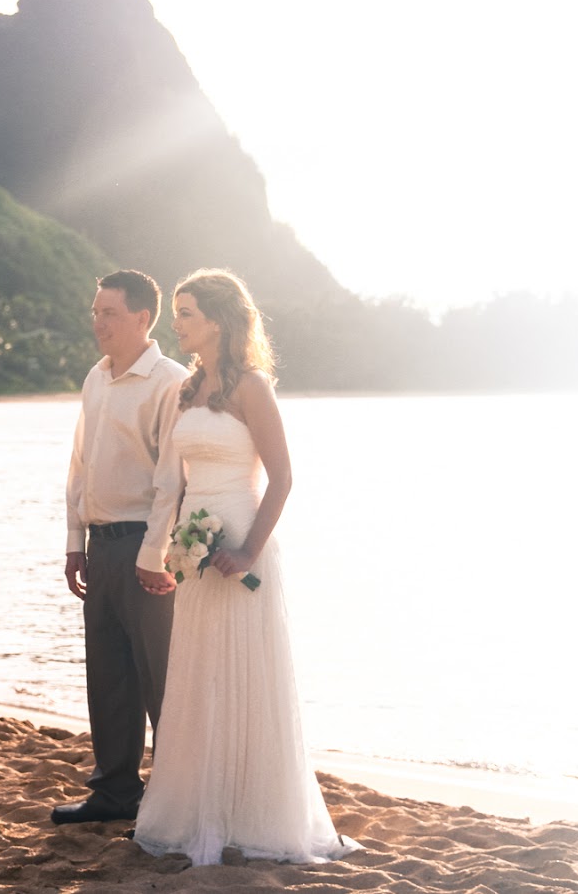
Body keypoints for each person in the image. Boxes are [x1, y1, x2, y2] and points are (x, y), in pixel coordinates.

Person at [132, 269, 356, 866]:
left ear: (218, 321)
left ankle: (256, 814)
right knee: (199, 679)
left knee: (248, 678)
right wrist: (175, 549)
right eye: (176, 312)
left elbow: (282, 477)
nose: (176, 323)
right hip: (197, 551)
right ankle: (202, 806)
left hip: (241, 542)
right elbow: (177, 483)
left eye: (184, 313)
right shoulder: (187, 389)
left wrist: (249, 550)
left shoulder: (253, 386)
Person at [53, 269, 188, 825]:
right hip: (100, 544)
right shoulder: (96, 377)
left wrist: (153, 554)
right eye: (94, 311)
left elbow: (171, 480)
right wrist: (74, 539)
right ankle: (114, 792)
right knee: (107, 675)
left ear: (141, 318)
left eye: (108, 313)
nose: (97, 323)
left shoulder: (169, 382)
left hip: (144, 547)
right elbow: (80, 463)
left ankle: (176, 799)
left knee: (161, 678)